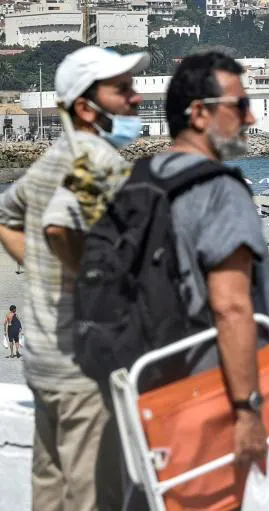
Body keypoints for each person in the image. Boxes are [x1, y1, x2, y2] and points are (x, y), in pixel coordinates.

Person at [0, 46, 150, 509]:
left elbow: (7, 217)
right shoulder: (97, 159)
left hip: (46, 358)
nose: (136, 99)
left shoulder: (56, 154)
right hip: (84, 365)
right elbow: (61, 226)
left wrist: (48, 274)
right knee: (92, 496)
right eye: (121, 90)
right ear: (86, 108)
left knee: (51, 489)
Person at [123, 51, 269, 495]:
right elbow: (231, 306)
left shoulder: (135, 180)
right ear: (198, 113)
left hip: (149, 396)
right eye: (239, 105)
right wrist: (247, 410)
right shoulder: (220, 191)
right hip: (213, 401)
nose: (249, 118)